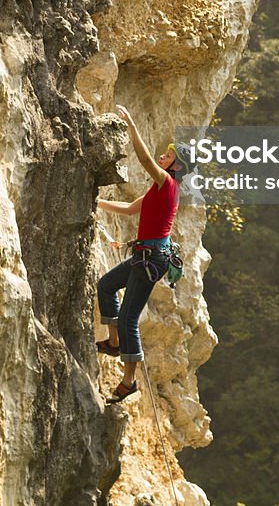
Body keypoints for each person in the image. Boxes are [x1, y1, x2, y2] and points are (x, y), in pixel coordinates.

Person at [96, 105, 193, 404]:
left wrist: (132, 126)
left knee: (128, 318)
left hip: (151, 259)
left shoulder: (168, 184)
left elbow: (144, 159)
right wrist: (94, 201)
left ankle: (129, 381)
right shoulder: (156, 190)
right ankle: (114, 344)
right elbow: (128, 209)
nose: (162, 157)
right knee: (106, 286)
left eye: (168, 156)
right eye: (163, 154)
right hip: (146, 255)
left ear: (175, 166)